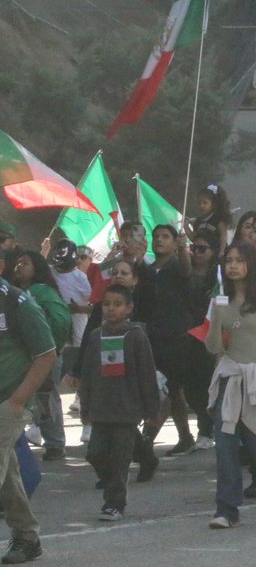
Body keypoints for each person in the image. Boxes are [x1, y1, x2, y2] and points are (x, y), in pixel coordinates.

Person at [205, 242, 256, 529]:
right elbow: (213, 347)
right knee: (225, 446)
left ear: (251, 264)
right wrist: (216, 318)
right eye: (229, 261)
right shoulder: (221, 299)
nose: (233, 266)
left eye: (239, 260)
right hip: (230, 378)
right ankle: (227, 509)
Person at [79, 283, 158, 522]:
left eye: (117, 304)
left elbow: (146, 373)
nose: (111, 309)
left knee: (120, 459)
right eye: (107, 304)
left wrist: (151, 408)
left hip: (127, 409)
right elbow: (88, 373)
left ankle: (114, 503)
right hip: (101, 409)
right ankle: (145, 456)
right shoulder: (95, 336)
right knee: (95, 453)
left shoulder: (135, 336)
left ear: (129, 308)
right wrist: (86, 406)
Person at [138, 224, 214, 456]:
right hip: (154, 336)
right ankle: (184, 436)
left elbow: (185, 269)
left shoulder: (178, 265)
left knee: (174, 389)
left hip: (178, 337)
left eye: (165, 237)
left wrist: (183, 251)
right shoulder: (149, 269)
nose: (159, 240)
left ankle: (146, 440)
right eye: (156, 236)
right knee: (167, 390)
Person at [0, 269, 57, 565]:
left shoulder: (17, 303)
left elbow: (47, 354)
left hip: (10, 401)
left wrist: (17, 401)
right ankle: (27, 536)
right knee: (7, 469)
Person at [6, 250, 71, 462]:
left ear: (37, 268)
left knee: (45, 399)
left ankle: (55, 443)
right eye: (17, 263)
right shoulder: (13, 293)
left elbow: (61, 321)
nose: (19, 267)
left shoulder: (41, 292)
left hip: (44, 356)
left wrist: (52, 345)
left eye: (24, 263)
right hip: (27, 357)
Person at [189, 184, 232, 256]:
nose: (201, 206)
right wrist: (185, 226)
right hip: (200, 253)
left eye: (205, 203)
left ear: (214, 204)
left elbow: (223, 235)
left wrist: (222, 251)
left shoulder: (219, 219)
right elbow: (194, 238)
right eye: (199, 203)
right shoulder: (198, 221)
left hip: (216, 253)